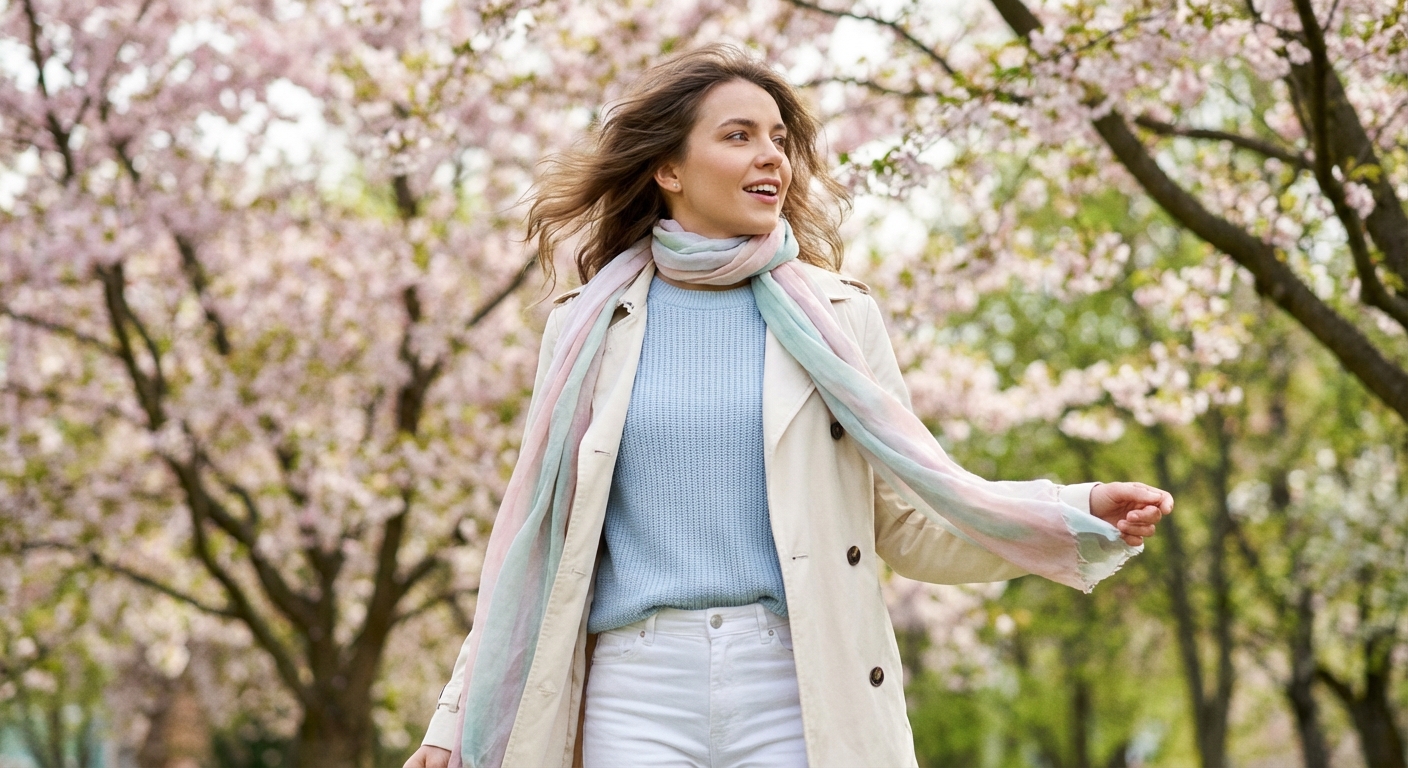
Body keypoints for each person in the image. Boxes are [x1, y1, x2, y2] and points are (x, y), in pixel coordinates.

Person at [404, 44, 1172, 768]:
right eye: (738, 136)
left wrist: (1076, 509)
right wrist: (454, 718)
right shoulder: (586, 326)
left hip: (798, 684)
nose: (771, 155)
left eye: (778, 138)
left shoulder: (842, 318)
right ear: (668, 167)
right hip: (632, 691)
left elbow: (908, 521)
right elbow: (535, 539)